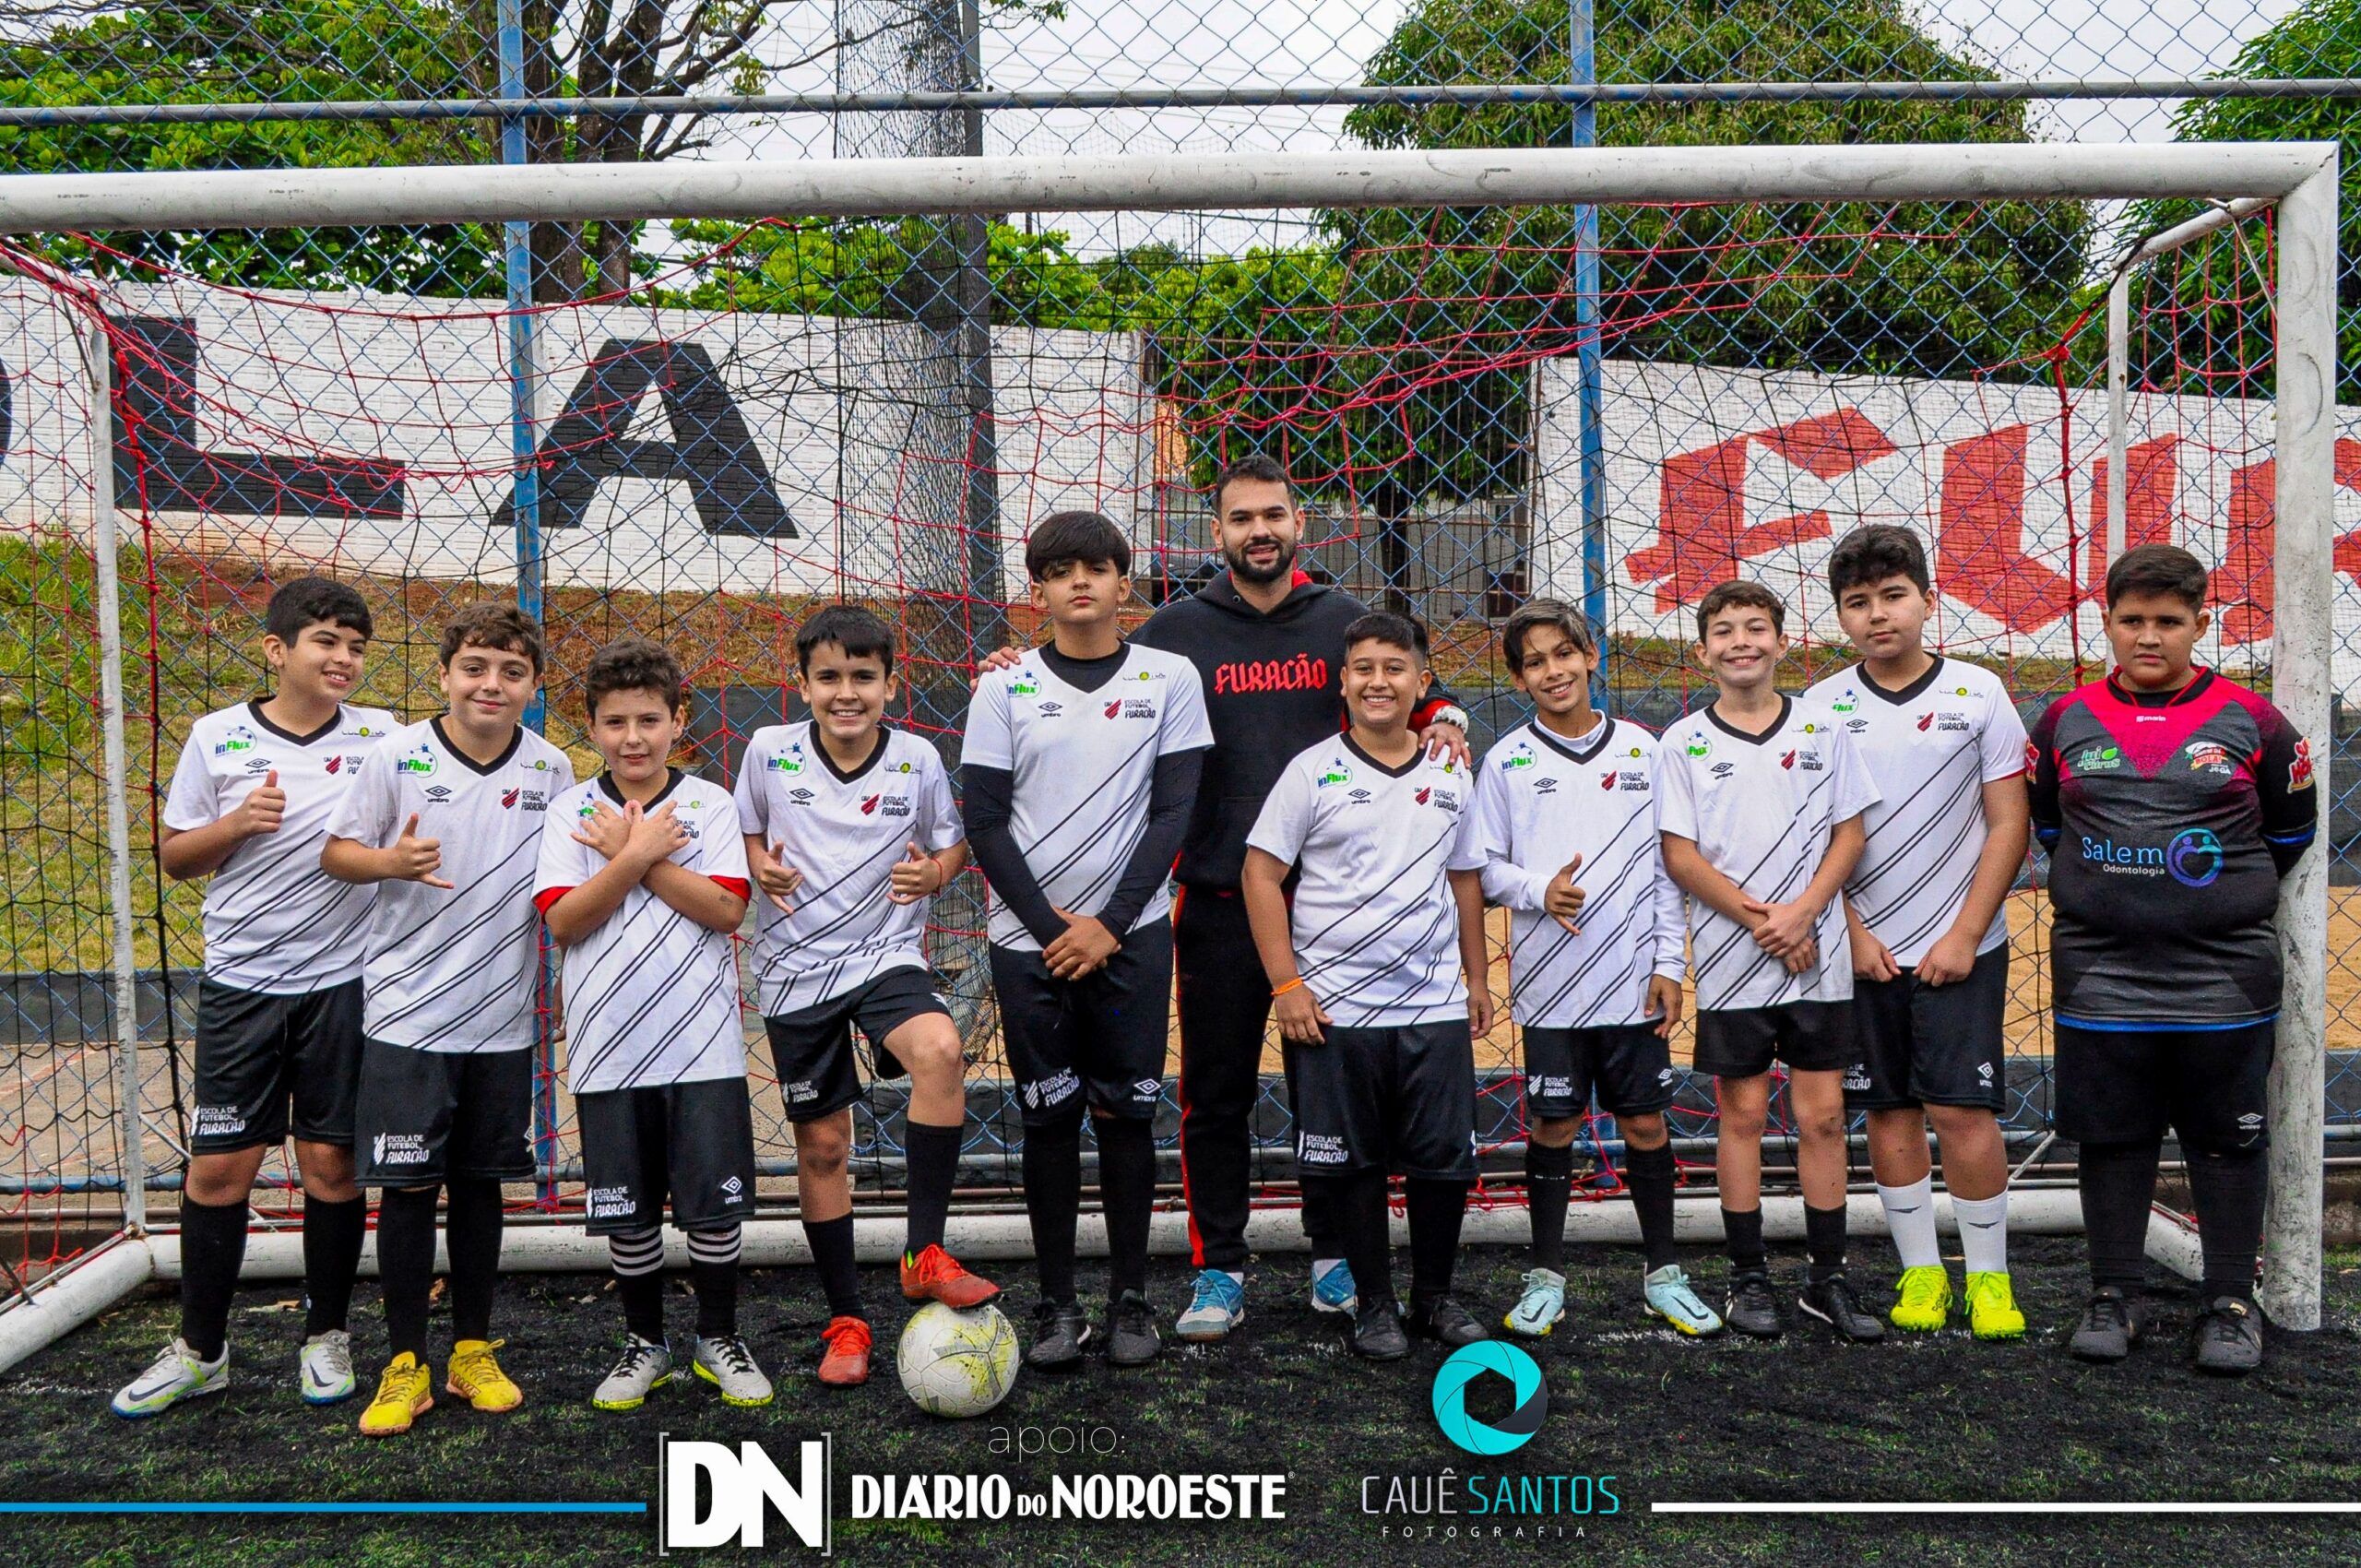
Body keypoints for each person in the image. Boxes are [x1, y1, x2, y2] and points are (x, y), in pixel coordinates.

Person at [111, 576, 397, 1418]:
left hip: (345, 987)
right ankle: (202, 1350)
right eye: (326, 642)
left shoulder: (383, 736)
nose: (343, 659)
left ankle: (327, 1334)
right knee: (218, 1170)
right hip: (242, 987)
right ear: (277, 650)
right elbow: (175, 858)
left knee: (331, 1167)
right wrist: (236, 823)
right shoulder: (218, 736)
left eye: (356, 647)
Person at [2028, 543, 2316, 1376]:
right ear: (2107, 623)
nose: (2148, 637)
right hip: (2100, 971)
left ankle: (2229, 1303)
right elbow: (2050, 827)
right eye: (2132, 620)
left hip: (2222, 973)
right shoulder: (2063, 720)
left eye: (2168, 621)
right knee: (2112, 1138)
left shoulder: (2256, 724)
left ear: (2200, 623)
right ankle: (2114, 1293)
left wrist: (2201, 903)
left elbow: (2289, 834)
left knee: (2226, 1140)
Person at [962, 510, 1212, 1371]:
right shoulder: (1002, 688)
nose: (1080, 582)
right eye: (1060, 570)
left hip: (1131, 936)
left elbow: (1174, 811)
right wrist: (1053, 931)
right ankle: (1058, 1306)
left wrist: (1108, 924)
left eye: (1096, 568)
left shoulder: (1169, 677)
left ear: (1121, 582)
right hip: (1028, 942)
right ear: (1037, 591)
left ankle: (1132, 1301)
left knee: (1127, 1117)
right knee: (1049, 1119)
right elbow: (984, 822)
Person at [322, 601, 575, 1436]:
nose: (490, 684)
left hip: (502, 1018)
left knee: (479, 1186)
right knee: (405, 1190)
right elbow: (336, 852)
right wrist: (388, 861)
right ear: (443, 675)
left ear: (533, 685)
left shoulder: (552, 769)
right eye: (474, 667)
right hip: (407, 1016)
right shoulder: (395, 756)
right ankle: (405, 1364)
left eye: (511, 671)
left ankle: (471, 1350)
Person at [733, 605, 993, 1391]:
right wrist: (759, 864)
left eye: (863, 677)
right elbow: (744, 833)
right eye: (829, 677)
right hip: (795, 968)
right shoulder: (767, 752)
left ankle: (923, 1253)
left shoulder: (916, 758)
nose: (846, 693)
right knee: (823, 1147)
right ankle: (846, 1318)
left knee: (940, 1050)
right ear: (803, 684)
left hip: (885, 956)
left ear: (890, 683)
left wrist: (936, 873)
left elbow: (953, 843)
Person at [1452, 598, 1721, 1339]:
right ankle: (1545, 1277)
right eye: (1534, 662)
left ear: (1591, 656)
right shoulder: (1507, 762)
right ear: (1518, 678)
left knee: (1644, 1123)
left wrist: (1669, 962)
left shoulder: (1644, 751)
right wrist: (1539, 888)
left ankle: (1664, 1275)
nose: (1553, 671)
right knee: (1553, 1124)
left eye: (1563, 654)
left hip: (1633, 982)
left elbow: (1668, 869)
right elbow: (1482, 868)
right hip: (1551, 989)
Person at [1243, 611, 1492, 1360]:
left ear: (1422, 681)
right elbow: (1260, 873)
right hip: (1337, 1010)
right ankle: (1374, 1304)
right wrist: (1286, 984)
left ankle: (1434, 1298)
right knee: (1353, 1166)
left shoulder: (1451, 769)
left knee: (1442, 1163)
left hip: (1433, 1005)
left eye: (1394, 668)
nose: (1378, 682)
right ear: (1343, 681)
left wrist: (1478, 977)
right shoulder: (1312, 770)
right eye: (1363, 669)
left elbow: (1466, 876)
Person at [535, 638, 770, 1410]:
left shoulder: (709, 805)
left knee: (714, 1206)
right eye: (614, 722)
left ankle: (717, 1337)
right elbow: (565, 922)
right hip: (608, 1047)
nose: (632, 738)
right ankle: (645, 1342)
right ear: (591, 727)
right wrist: (633, 857)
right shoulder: (571, 811)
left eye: (648, 720)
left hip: (703, 1045)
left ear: (678, 720)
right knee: (627, 1211)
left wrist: (638, 857)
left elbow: (726, 910)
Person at [1809, 525, 2031, 1341]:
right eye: (1857, 602)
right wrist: (1851, 931)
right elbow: (1812, 839)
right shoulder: (1822, 709)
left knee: (1962, 1111)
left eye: (1893, 596)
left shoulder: (1979, 694)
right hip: (1863, 950)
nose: (1878, 615)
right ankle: (1923, 1273)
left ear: (1928, 601)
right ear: (1840, 616)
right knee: (1889, 1110)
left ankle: (1991, 1279)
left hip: (1961, 947)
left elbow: (2009, 823)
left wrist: (1965, 933)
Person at [1655, 580, 1881, 1342]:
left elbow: (1850, 834)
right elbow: (1681, 856)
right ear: (1702, 652)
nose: (1741, 642)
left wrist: (1805, 910)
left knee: (1823, 1118)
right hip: (1733, 959)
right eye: (1724, 631)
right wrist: (1768, 922)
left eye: (1756, 628)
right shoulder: (1682, 742)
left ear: (1783, 643)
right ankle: (1748, 1277)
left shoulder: (1824, 728)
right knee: (1744, 1115)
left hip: (1819, 957)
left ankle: (1827, 1279)